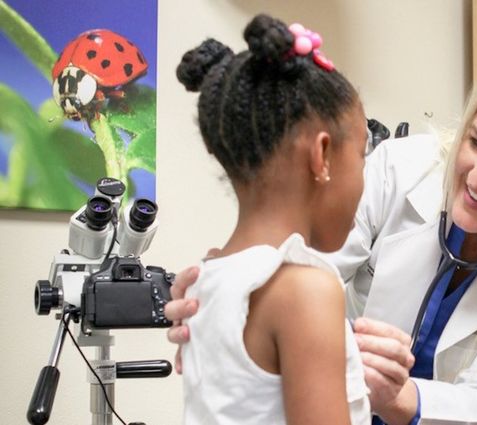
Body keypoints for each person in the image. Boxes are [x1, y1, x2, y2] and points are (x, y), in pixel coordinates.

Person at [168, 48, 477, 425]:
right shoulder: (402, 170)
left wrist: (400, 397)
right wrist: (227, 301)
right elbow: (295, 268)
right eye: (475, 142)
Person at [173, 14, 383, 424]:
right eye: (362, 156)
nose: (365, 177)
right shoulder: (306, 290)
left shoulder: (207, 279)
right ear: (321, 157)